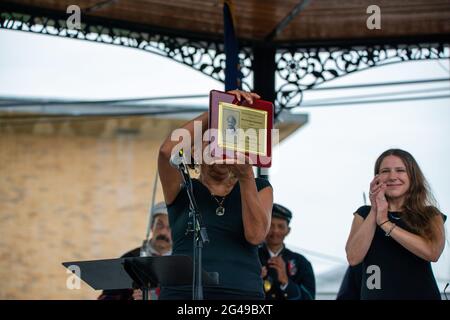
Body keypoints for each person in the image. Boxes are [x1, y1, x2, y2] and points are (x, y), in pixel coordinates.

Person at [158, 89, 273, 300]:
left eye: (225, 142)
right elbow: (167, 152)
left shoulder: (259, 185)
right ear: (195, 151)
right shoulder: (183, 188)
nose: (219, 150)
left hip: (241, 295)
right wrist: (216, 111)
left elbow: (255, 235)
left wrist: (246, 177)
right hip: (183, 294)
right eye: (211, 142)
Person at [345, 149, 446, 300]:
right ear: (377, 178)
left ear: (412, 176)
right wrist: (375, 210)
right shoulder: (364, 214)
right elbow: (353, 258)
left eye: (400, 170)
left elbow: (432, 252)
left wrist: (385, 223)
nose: (392, 177)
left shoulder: (430, 214)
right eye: (385, 171)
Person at [97, 202, 172, 300]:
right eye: (159, 225)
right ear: (151, 226)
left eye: (170, 227)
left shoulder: (184, 264)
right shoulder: (129, 259)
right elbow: (107, 297)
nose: (163, 232)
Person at [259, 203, 316, 300]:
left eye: (280, 226)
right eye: (271, 225)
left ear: (288, 230)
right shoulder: (252, 257)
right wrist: (253, 280)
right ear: (264, 227)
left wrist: (286, 282)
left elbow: (309, 297)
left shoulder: (301, 262)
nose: (275, 231)